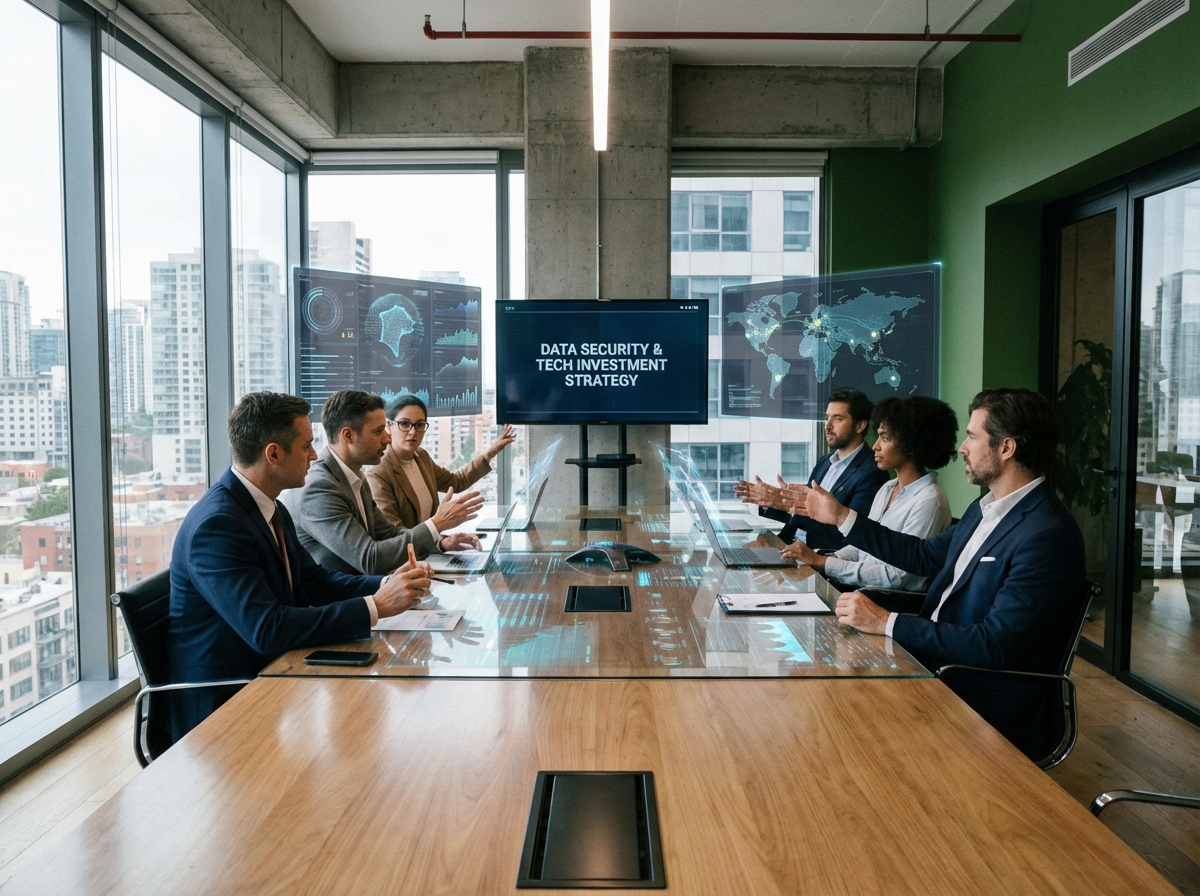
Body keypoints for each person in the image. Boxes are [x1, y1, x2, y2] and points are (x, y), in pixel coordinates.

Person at [786, 388, 1085, 759]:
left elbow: (993, 645)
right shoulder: (985, 507)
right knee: (817, 687)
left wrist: (887, 621)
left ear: (1006, 448)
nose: (962, 447)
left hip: (979, 693)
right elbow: (924, 555)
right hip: (936, 661)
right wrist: (842, 517)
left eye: (973, 437)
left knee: (836, 724)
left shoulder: (1046, 534)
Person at [168, 392, 434, 743]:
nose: (314, 454)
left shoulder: (266, 507)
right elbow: (267, 628)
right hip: (226, 705)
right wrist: (377, 606)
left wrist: (387, 582)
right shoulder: (217, 525)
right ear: (274, 454)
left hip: (279, 673)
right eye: (307, 445)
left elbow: (314, 580)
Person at [281, 390, 483, 575]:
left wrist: (442, 542)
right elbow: (370, 558)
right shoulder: (319, 488)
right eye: (378, 431)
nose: (387, 438)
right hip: (341, 604)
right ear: (348, 435)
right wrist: (436, 523)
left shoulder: (355, 475)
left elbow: (389, 533)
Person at [782, 395, 957, 592]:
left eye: (885, 438)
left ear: (911, 444)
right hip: (858, 592)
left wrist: (823, 563)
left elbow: (895, 577)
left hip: (886, 604)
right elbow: (861, 547)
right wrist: (823, 559)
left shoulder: (930, 501)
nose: (875, 446)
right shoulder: (887, 489)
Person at [734, 388, 889, 550]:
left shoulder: (872, 472)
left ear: (860, 426)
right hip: (789, 545)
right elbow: (802, 514)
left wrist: (785, 504)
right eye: (827, 417)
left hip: (819, 556)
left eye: (837, 419)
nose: (827, 426)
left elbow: (849, 534)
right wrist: (772, 501)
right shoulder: (825, 462)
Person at [367, 394, 516, 529]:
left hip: (431, 551)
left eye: (419, 425)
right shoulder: (378, 473)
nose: (412, 432)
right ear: (389, 426)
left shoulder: (421, 456)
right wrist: (440, 534)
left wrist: (491, 452)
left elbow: (456, 481)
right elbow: (393, 533)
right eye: (404, 424)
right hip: (408, 557)